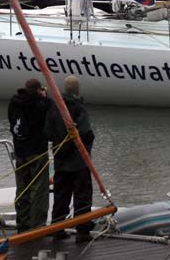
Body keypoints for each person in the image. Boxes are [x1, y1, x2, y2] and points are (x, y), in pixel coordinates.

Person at [45, 76, 95, 242]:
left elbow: (48, 131)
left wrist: (60, 144)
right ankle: (82, 230)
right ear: (77, 90)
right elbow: (86, 132)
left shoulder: (54, 107)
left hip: (60, 161)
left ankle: (57, 229)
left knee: (61, 196)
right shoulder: (79, 108)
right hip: (79, 161)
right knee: (82, 196)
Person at [8, 78, 51, 233]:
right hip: (37, 152)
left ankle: (23, 223)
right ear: (38, 90)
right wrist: (44, 97)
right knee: (38, 190)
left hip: (20, 152)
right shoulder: (39, 104)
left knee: (22, 190)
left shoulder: (14, 102)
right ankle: (37, 226)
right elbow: (48, 110)